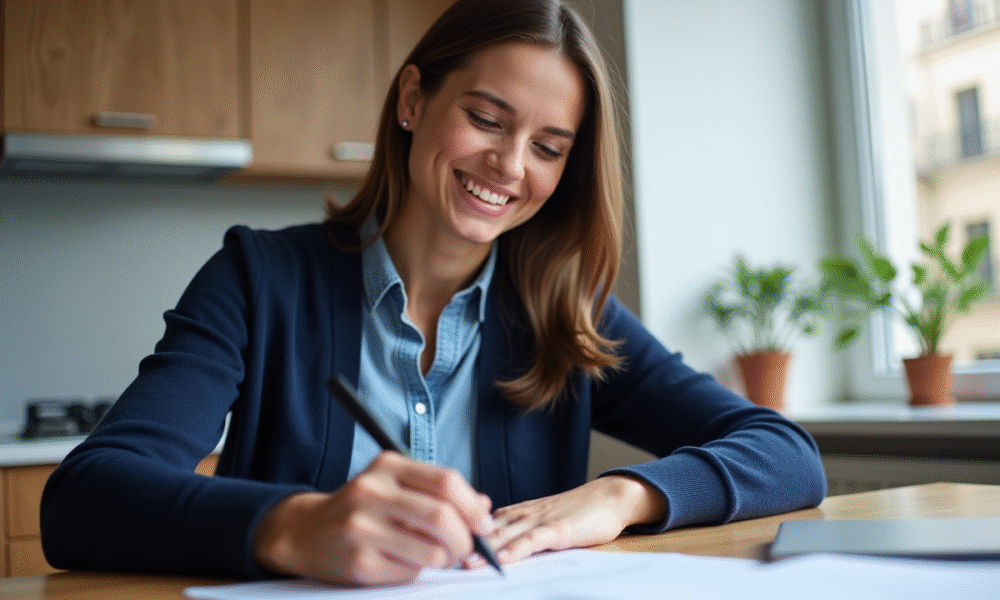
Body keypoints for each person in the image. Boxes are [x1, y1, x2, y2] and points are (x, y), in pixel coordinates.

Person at [40, 0, 826, 587]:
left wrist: (623, 496)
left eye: (548, 148)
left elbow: (786, 455)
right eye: (486, 118)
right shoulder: (258, 279)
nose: (510, 166)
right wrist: (292, 526)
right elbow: (83, 500)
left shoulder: (566, 315)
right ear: (413, 101)